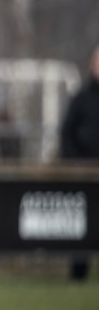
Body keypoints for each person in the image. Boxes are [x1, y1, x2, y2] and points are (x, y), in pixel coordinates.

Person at [60, 43, 99, 281]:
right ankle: (78, 274)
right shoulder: (81, 99)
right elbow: (66, 134)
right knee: (82, 226)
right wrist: (76, 165)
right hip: (84, 176)